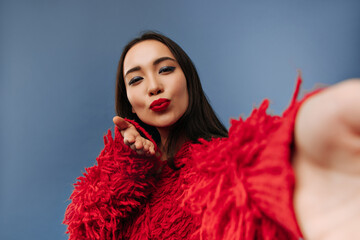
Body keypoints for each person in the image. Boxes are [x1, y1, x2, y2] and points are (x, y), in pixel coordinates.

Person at [63, 31, 360, 240]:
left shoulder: (225, 166)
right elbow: (85, 231)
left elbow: (259, 173)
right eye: (136, 79)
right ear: (128, 100)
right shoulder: (122, 181)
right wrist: (130, 167)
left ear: (188, 80)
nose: (153, 86)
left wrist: (294, 150)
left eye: (165, 69)